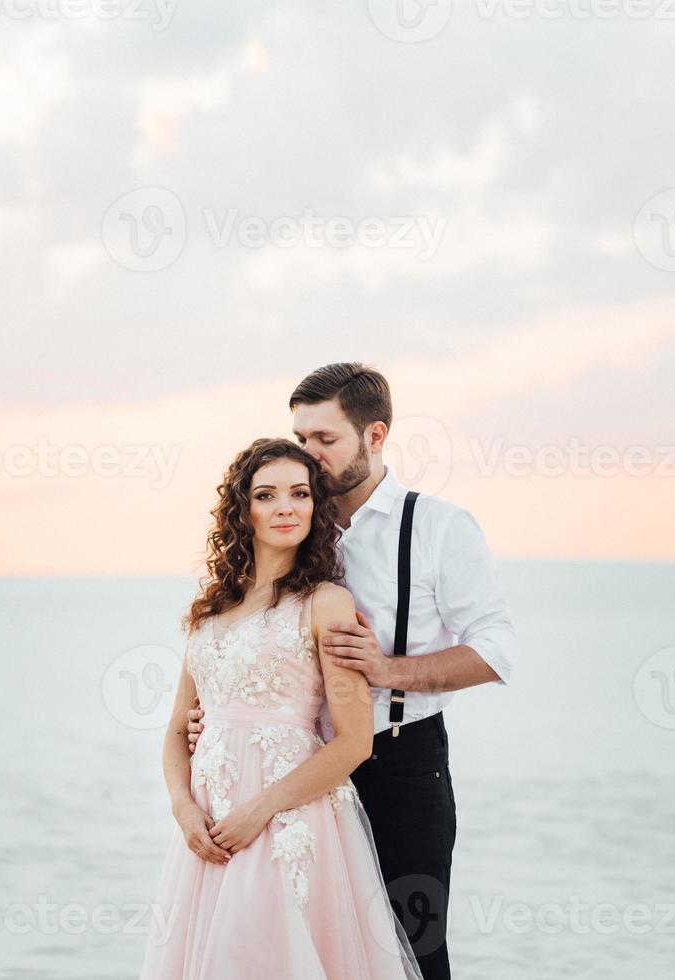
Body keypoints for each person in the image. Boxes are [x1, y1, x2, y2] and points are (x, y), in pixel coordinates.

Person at [187, 363, 518, 980]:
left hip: (399, 765)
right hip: (286, 772)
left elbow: (496, 650)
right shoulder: (295, 520)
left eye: (326, 440)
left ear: (375, 435)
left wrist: (390, 669)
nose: (308, 457)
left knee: (411, 952)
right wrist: (221, 713)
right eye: (302, 437)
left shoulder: (438, 527)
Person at [138, 437, 423, 979]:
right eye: (267, 495)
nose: (286, 507)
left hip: (289, 818)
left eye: (300, 493)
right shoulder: (209, 612)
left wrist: (258, 812)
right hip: (209, 823)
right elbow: (178, 729)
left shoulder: (326, 604)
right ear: (243, 509)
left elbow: (354, 741)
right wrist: (182, 809)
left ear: (317, 507)